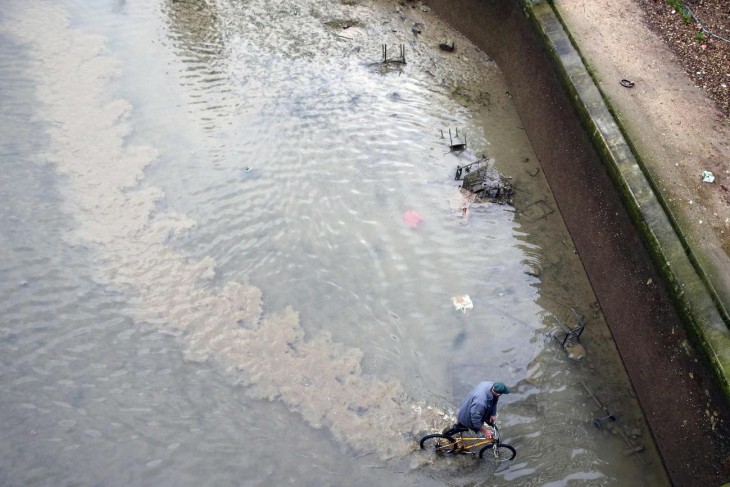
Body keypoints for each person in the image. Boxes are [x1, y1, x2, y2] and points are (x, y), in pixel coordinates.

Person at [443, 381, 510, 439]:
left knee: (480, 423)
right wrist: (485, 431)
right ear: (498, 394)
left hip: (469, 405)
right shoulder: (481, 402)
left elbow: (494, 400)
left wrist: (492, 414)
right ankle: (444, 437)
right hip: (467, 416)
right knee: (461, 426)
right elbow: (475, 419)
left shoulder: (489, 384)